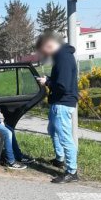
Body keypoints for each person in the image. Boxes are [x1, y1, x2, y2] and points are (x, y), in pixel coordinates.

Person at [35, 33, 79, 184]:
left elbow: (62, 86)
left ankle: (72, 171)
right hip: (59, 103)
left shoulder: (63, 58)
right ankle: (59, 159)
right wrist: (48, 79)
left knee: (65, 137)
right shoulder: (61, 56)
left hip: (62, 104)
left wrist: (47, 83)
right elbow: (60, 80)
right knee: (53, 131)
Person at [0, 75, 34, 170]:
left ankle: (19, 156)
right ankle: (10, 161)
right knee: (7, 133)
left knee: (10, 130)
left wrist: (1, 120)